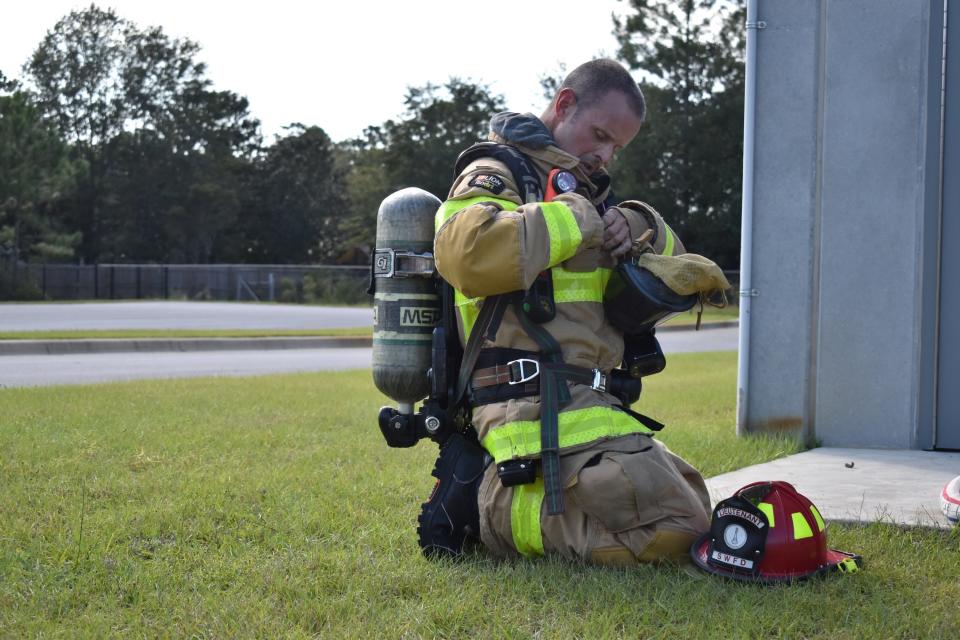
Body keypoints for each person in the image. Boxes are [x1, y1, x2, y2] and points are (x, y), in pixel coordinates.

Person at [420, 59, 711, 566]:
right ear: (564, 104)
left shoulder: (592, 194)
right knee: (675, 529)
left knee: (693, 499)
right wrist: (582, 218)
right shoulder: (498, 172)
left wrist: (638, 219)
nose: (604, 155)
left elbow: (675, 267)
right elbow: (466, 254)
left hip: (587, 403)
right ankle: (489, 506)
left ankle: (494, 495)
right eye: (599, 135)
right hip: (528, 404)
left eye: (617, 147)